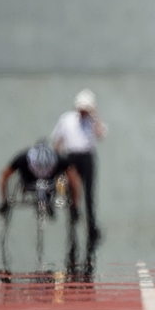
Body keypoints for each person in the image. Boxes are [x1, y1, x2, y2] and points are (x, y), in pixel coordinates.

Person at [50, 89, 107, 243]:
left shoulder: (92, 121)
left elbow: (101, 134)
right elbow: (58, 140)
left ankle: (91, 227)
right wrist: (57, 161)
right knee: (71, 192)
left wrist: (94, 116)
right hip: (71, 158)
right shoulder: (67, 119)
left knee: (89, 194)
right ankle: (72, 227)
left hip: (87, 157)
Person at [0, 140, 81, 221]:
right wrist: (4, 202)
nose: (41, 172)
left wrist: (74, 206)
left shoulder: (60, 160)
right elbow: (4, 177)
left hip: (50, 183)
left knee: (69, 180)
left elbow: (74, 181)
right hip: (29, 181)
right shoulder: (22, 159)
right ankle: (48, 202)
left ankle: (48, 200)